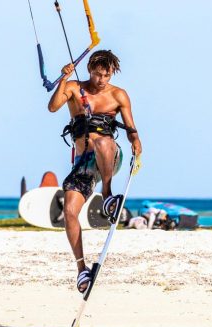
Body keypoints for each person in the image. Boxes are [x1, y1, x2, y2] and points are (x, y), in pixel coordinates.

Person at [48, 50, 142, 293]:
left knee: (102, 141)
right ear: (89, 69)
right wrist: (62, 79)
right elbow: (53, 107)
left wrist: (136, 142)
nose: (102, 80)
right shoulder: (73, 88)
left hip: (110, 156)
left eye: (107, 75)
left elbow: (131, 127)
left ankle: (107, 195)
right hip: (83, 164)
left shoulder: (118, 95)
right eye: (97, 74)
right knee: (69, 210)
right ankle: (81, 271)